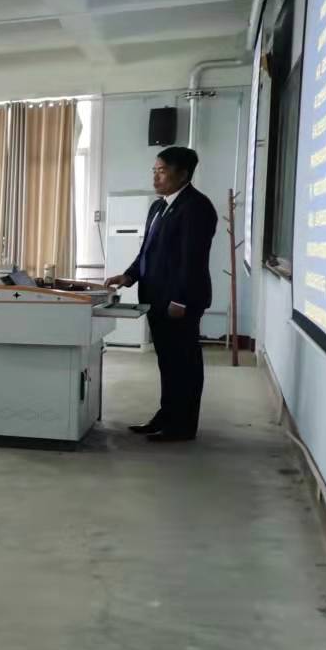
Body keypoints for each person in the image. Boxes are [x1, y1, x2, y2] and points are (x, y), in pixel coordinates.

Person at [105, 145, 218, 443]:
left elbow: (192, 259)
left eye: (162, 171)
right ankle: (167, 415)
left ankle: (183, 426)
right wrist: (129, 275)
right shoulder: (158, 206)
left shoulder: (197, 207)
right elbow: (148, 251)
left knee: (184, 363)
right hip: (155, 298)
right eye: (154, 171)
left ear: (183, 174)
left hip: (179, 302)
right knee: (167, 362)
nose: (155, 177)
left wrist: (180, 299)